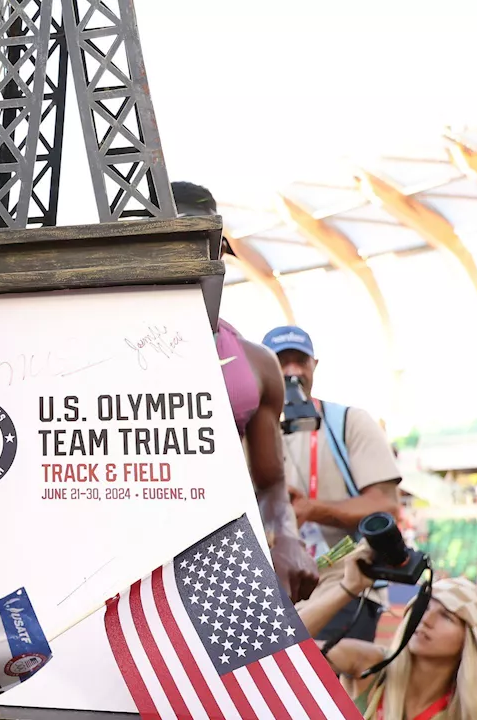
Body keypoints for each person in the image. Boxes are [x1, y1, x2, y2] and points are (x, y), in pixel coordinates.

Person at [173, 181, 319, 602]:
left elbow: (271, 483)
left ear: (220, 254)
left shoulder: (255, 363)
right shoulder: (97, 343)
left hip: (216, 560)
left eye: (206, 247)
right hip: (121, 563)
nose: (194, 261)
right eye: (176, 244)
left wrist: (287, 539)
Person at [263, 325, 402, 642]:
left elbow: (385, 504)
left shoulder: (351, 422)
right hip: (270, 587)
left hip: (343, 585)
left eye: (301, 360)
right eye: (281, 361)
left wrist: (312, 509)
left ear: (315, 366)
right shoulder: (243, 430)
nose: (292, 370)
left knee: (330, 684)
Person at [300, 542, 477, 720]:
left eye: (446, 616)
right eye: (423, 608)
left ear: (470, 640)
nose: (425, 619)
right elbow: (278, 647)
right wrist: (349, 588)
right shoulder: (371, 666)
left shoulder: (460, 713)